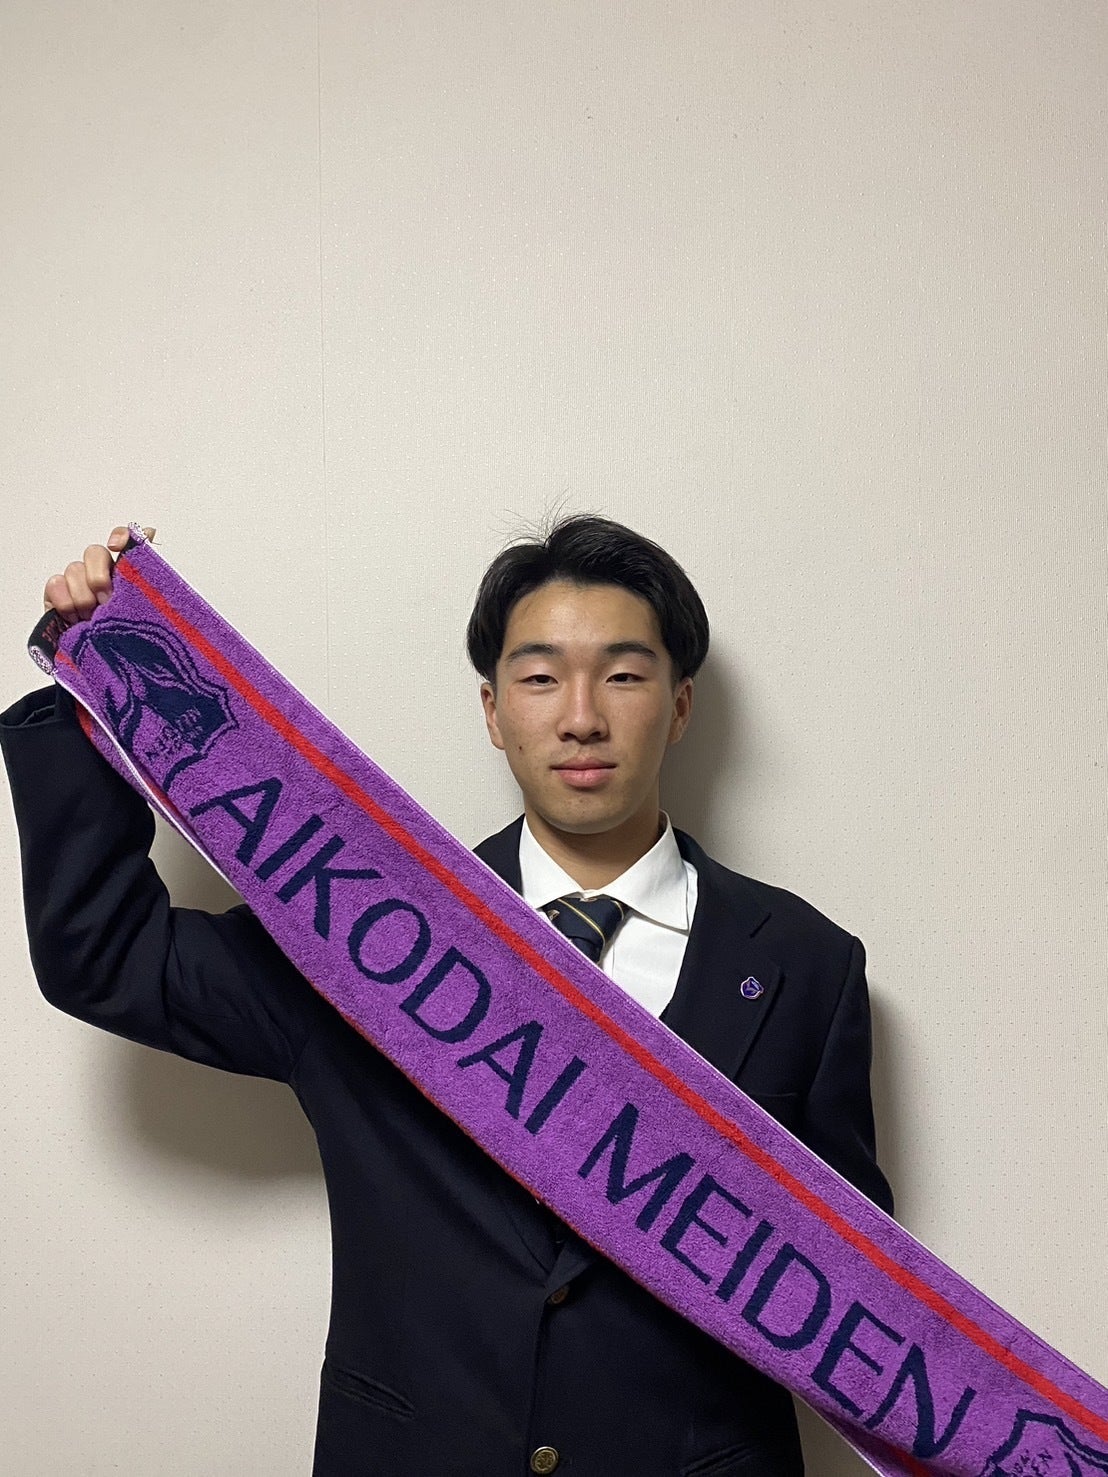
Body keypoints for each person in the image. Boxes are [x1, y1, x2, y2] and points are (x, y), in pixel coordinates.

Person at [2, 515, 892, 1477]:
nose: (581, 717)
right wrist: (99, 679)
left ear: (679, 706)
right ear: (493, 710)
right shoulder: (366, 926)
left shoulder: (807, 966)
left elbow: (862, 1306)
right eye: (540, 678)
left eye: (624, 676)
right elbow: (106, 954)